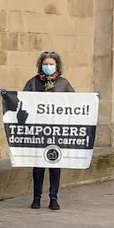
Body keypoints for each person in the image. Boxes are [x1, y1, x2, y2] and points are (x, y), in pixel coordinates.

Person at [23, 51, 75, 211]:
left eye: (51, 64)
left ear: (57, 66)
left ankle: (54, 198)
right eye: (45, 64)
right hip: (38, 129)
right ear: (41, 65)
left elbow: (75, 102)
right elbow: (22, 100)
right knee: (38, 165)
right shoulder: (33, 83)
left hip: (56, 130)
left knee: (54, 163)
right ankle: (36, 198)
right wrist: (7, 96)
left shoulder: (63, 84)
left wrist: (94, 99)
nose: (48, 67)